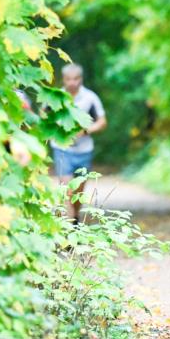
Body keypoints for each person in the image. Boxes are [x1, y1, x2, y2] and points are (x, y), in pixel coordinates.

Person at [52, 64, 107, 224]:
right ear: (63, 79)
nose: (72, 82)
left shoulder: (90, 98)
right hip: (62, 148)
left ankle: (75, 219)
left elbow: (102, 122)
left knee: (78, 192)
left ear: (80, 79)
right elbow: (44, 115)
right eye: (68, 79)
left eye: (75, 79)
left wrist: (86, 130)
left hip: (84, 150)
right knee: (67, 190)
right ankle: (69, 230)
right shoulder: (56, 96)